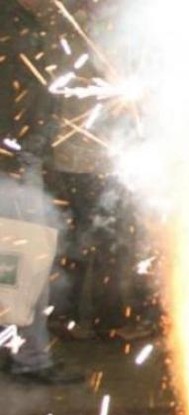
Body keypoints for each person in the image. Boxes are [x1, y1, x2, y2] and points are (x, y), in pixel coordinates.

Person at [0, 0, 83, 384]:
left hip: (16, 159)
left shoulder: (21, 20)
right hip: (14, 163)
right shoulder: (15, 25)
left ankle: (14, 350)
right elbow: (18, 99)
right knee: (26, 259)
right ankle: (29, 359)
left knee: (11, 262)